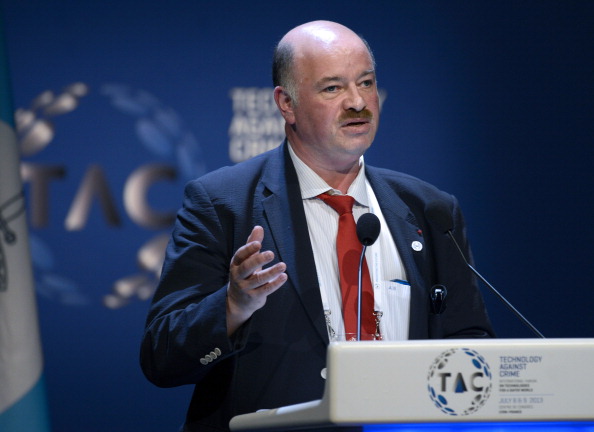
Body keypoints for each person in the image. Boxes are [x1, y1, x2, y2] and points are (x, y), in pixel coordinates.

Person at [140, 20, 494, 432]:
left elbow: (469, 347)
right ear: (286, 103)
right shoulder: (222, 203)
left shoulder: (430, 209)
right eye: (333, 88)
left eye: (366, 83)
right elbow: (161, 357)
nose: (358, 102)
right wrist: (233, 306)